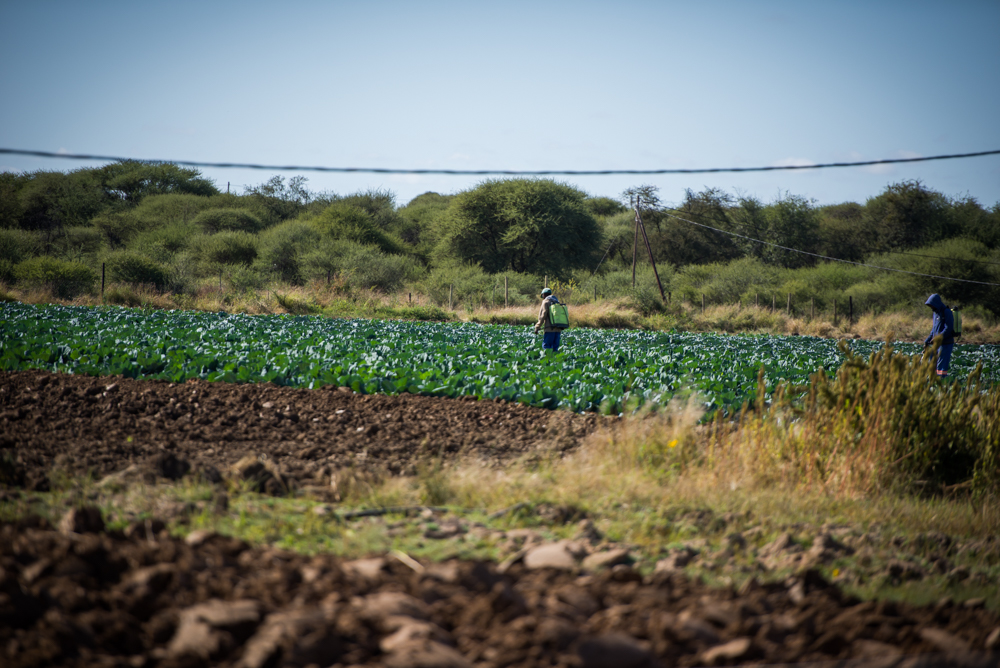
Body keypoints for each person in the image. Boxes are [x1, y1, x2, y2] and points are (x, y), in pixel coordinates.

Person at [923, 293, 955, 376]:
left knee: (941, 367)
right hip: (936, 344)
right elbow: (934, 329)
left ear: (936, 303)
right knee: (931, 364)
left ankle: (941, 382)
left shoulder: (946, 312)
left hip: (945, 344)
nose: (931, 307)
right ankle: (933, 381)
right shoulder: (935, 313)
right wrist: (927, 341)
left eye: (932, 305)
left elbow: (949, 328)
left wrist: (938, 337)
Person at [533, 287, 563, 353]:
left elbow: (542, 315)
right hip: (558, 329)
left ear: (543, 295)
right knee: (555, 349)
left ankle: (548, 362)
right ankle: (556, 362)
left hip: (549, 329)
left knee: (547, 347)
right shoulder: (557, 302)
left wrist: (537, 327)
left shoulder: (546, 302)